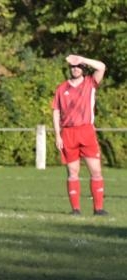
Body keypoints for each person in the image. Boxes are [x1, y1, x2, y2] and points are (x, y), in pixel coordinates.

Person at [52, 55, 107, 216]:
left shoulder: (90, 83)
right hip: (68, 133)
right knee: (72, 171)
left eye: (79, 66)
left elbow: (101, 66)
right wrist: (57, 135)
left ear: (84, 68)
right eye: (72, 67)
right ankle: (75, 209)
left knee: (96, 171)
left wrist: (81, 58)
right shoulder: (62, 88)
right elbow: (56, 111)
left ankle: (98, 209)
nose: (75, 69)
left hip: (86, 131)